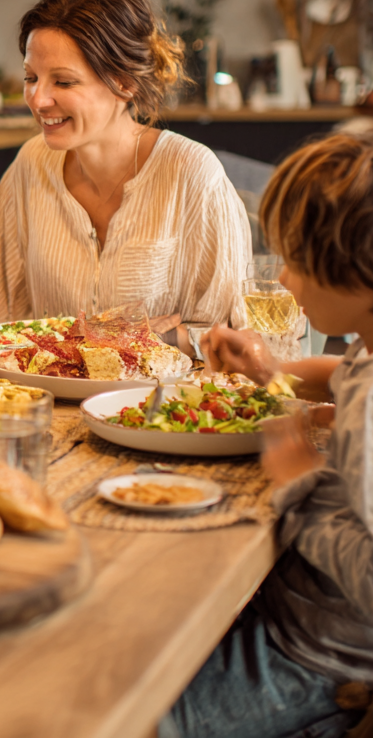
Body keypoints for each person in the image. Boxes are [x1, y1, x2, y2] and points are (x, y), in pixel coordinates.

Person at [160, 132, 373, 738]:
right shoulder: (367, 348)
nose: (283, 277)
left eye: (296, 262)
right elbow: (343, 373)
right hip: (293, 606)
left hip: (321, 657)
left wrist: (302, 486)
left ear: (359, 273)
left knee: (148, 715)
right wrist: (277, 375)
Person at [0, 0, 251, 328]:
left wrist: (151, 340)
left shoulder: (192, 172)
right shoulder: (32, 163)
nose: (38, 100)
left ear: (124, 82)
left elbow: (237, 334)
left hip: (166, 385)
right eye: (31, 77)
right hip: (44, 385)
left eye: (63, 81)